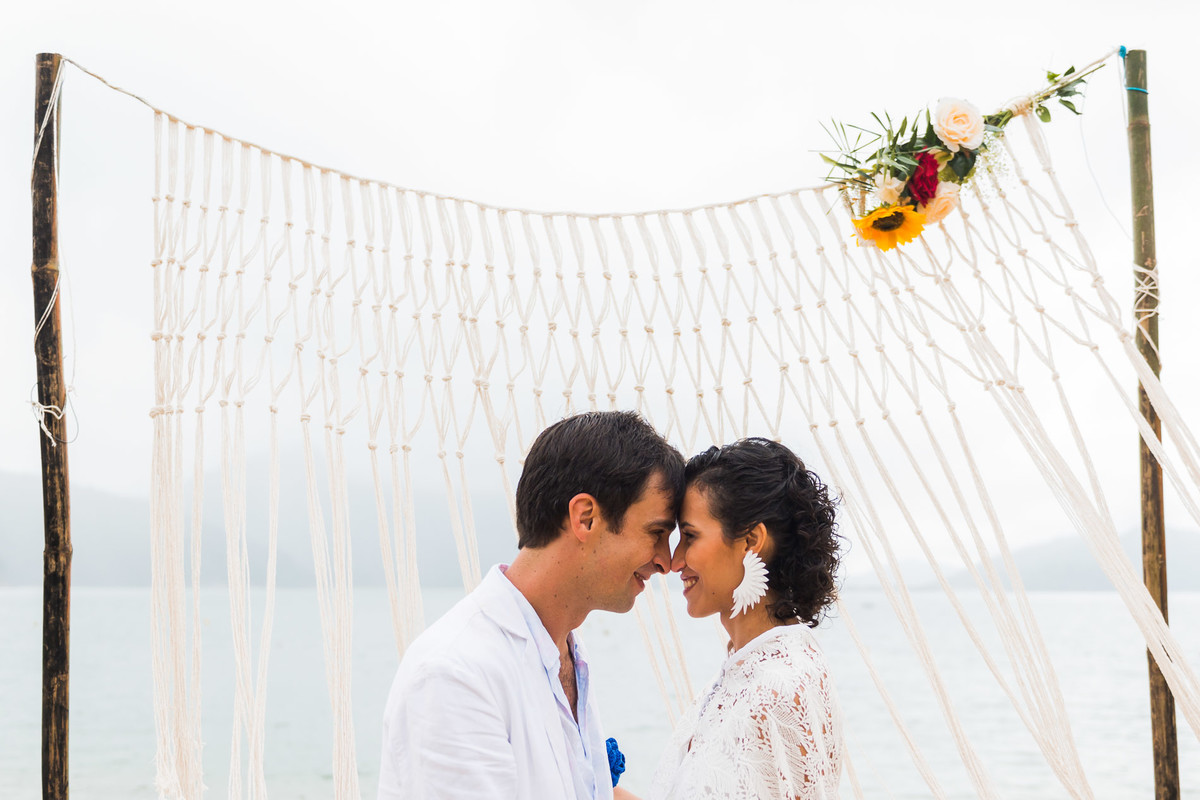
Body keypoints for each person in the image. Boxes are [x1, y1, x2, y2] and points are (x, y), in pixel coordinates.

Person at [377, 410, 684, 800]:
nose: (666, 562)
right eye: (656, 532)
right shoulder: (454, 675)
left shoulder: (564, 652)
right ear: (585, 518)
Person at [648, 437, 844, 800]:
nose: (675, 562)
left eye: (690, 536)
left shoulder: (781, 687)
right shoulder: (744, 672)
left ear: (751, 541)